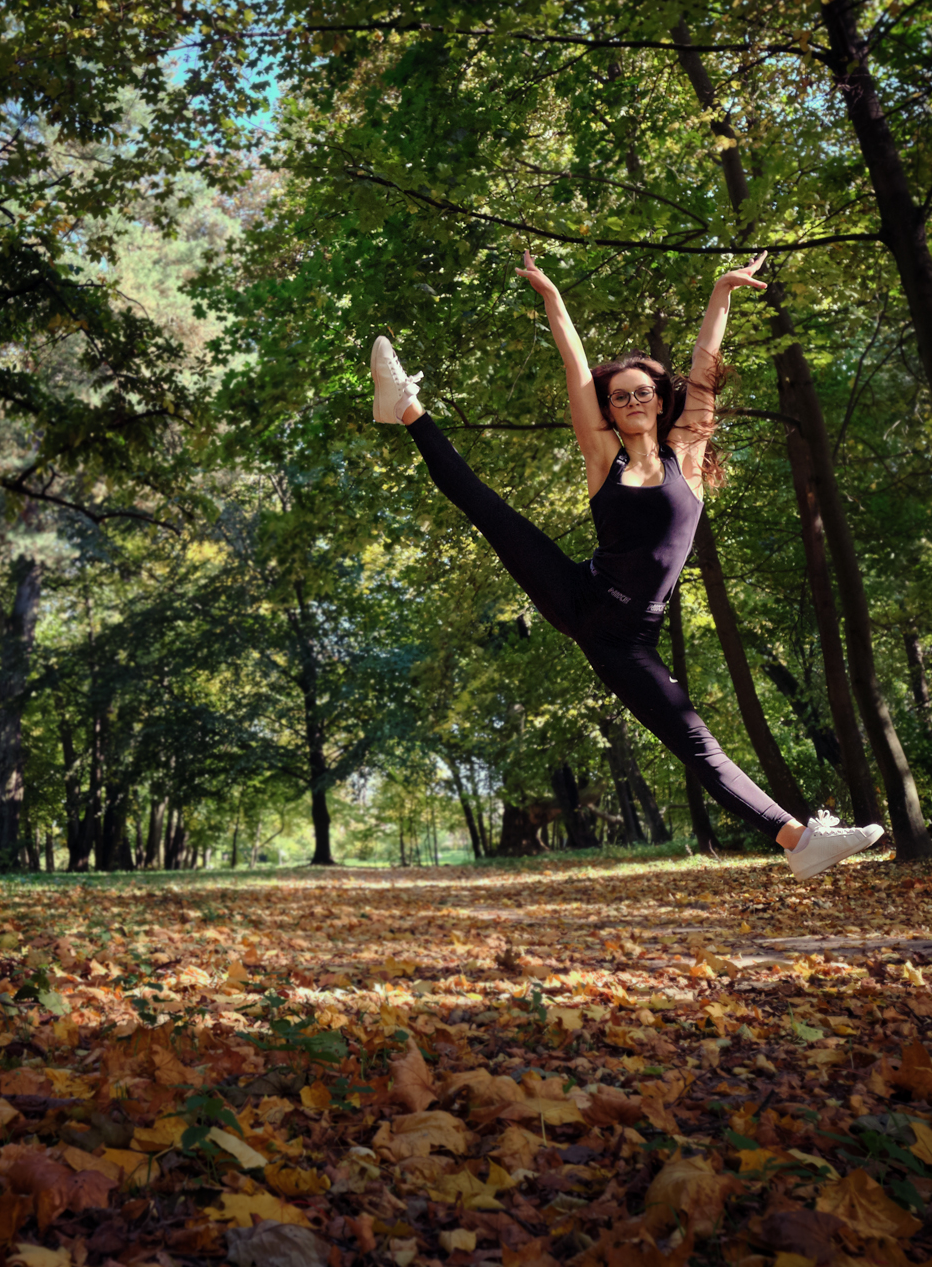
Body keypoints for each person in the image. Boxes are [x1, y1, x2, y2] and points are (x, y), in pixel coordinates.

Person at [369, 250, 884, 879]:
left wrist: (721, 293)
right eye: (620, 396)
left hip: (628, 637)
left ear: (659, 399)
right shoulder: (601, 456)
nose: (633, 399)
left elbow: (703, 373)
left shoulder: (686, 455)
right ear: (608, 409)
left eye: (643, 391)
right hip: (580, 590)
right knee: (489, 509)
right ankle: (403, 409)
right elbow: (576, 365)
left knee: (694, 740)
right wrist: (554, 300)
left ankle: (801, 844)